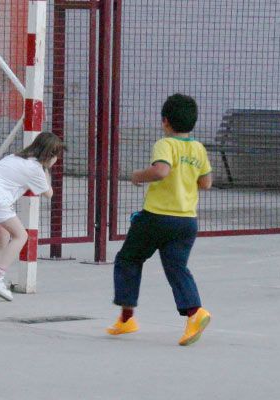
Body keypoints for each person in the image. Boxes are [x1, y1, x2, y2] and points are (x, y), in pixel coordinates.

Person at [106, 93, 213, 346]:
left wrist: (137, 176)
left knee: (128, 259)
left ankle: (126, 318)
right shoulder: (198, 148)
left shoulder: (166, 144)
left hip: (157, 217)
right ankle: (195, 313)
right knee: (177, 267)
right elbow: (206, 182)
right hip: (187, 221)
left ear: (165, 121)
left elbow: (161, 171)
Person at [0, 131, 64, 301]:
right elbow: (49, 193)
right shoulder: (36, 169)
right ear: (50, 155)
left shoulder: (16, 157)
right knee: (21, 235)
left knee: (2, 237)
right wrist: (47, 168)